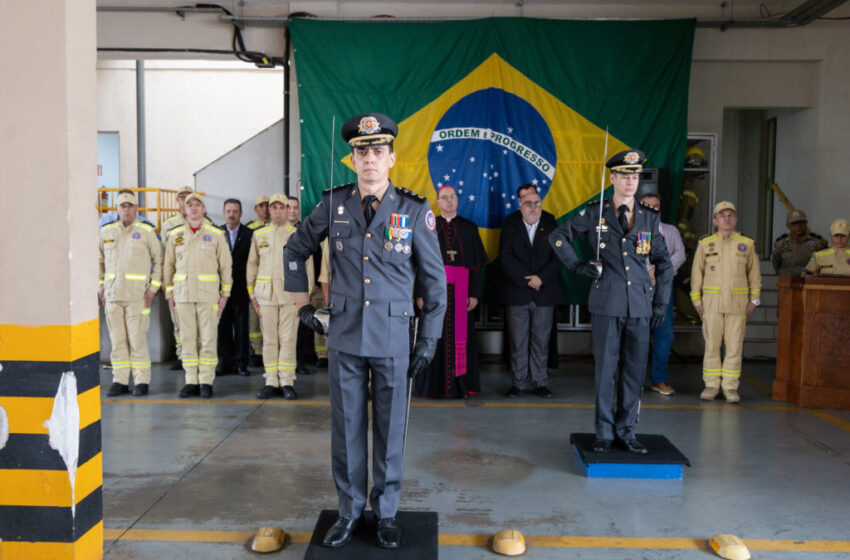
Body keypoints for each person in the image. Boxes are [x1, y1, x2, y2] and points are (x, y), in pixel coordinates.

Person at [284, 113, 446, 549]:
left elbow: (434, 280)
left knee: (391, 430)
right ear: (351, 158)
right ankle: (350, 511)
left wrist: (429, 337)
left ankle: (387, 512)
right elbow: (295, 249)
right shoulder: (333, 204)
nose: (369, 159)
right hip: (345, 334)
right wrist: (303, 306)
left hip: (394, 336)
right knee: (347, 428)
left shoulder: (414, 209)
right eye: (361, 151)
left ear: (392, 158)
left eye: (377, 151)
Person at [549, 149, 673, 454]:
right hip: (607, 302)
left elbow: (664, 264)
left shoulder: (648, 217)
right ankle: (604, 432)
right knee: (606, 371)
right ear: (612, 178)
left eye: (635, 177)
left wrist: (661, 302)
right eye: (624, 176)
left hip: (640, 306)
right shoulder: (595, 213)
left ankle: (626, 431)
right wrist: (578, 265)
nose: (631, 182)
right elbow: (558, 237)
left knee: (633, 372)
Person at [416, 184, 488, 398]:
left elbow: (476, 265)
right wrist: (419, 293)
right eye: (444, 197)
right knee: (432, 334)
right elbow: (419, 264)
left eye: (453, 197)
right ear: (437, 202)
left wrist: (474, 293)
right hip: (433, 292)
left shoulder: (469, 228)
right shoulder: (429, 227)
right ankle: (431, 386)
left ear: (457, 200)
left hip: (462, 292)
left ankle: (462, 384)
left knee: (461, 337)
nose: (449, 201)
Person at [690, 201, 762, 403]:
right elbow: (697, 274)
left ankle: (730, 387)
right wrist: (696, 301)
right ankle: (711, 385)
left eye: (730, 215)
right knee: (712, 346)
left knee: (734, 347)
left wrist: (754, 300)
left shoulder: (746, 244)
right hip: (711, 304)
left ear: (735, 219)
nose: (727, 218)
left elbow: (754, 275)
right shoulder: (705, 244)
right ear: (715, 220)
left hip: (738, 305)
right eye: (722, 215)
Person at [163, 193, 233, 399]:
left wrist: (224, 295)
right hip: (182, 296)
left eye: (197, 205)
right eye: (189, 205)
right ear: (184, 210)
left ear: (204, 210)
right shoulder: (175, 235)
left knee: (209, 340)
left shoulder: (216, 235)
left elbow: (226, 266)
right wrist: (169, 294)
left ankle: (206, 381)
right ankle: (191, 380)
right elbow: (168, 266)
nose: (193, 208)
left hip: (208, 296)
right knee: (187, 339)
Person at [247, 194, 313, 400]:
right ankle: (271, 381)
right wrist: (253, 295)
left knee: (288, 339)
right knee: (269, 340)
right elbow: (252, 266)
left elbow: (307, 268)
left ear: (287, 210)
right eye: (273, 208)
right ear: (270, 211)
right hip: (265, 296)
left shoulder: (298, 235)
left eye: (281, 208)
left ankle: (286, 381)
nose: (277, 211)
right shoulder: (259, 234)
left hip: (290, 297)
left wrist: (303, 298)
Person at [500, 184, 562, 399]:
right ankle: (518, 383)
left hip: (544, 292)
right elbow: (505, 256)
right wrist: (527, 280)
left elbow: (558, 257)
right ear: (520, 205)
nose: (534, 207)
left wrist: (541, 278)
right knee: (518, 341)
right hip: (518, 292)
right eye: (529, 203)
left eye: (537, 203)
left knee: (541, 341)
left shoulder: (551, 222)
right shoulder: (510, 222)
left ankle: (539, 382)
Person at [99, 191, 162, 397]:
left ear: (136, 209)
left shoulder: (146, 232)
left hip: (138, 297)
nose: (126, 209)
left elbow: (159, 260)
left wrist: (153, 289)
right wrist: (100, 287)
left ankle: (142, 381)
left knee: (137, 339)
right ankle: (120, 381)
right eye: (122, 206)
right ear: (117, 209)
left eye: (130, 205)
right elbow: (98, 261)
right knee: (117, 341)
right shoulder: (106, 232)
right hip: (113, 296)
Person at [637, 187, 687, 396]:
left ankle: (659, 380)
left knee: (664, 335)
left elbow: (680, 254)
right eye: (648, 206)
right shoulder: (636, 231)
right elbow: (635, 257)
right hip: (640, 289)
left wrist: (660, 269)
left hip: (663, 290)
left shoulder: (670, 231)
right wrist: (649, 269)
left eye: (656, 206)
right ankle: (635, 381)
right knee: (637, 337)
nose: (652, 210)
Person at [216, 198, 253, 377]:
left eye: (235, 211)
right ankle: (224, 362)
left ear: (241, 214)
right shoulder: (216, 233)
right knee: (222, 328)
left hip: (241, 289)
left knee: (241, 327)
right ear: (224, 213)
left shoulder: (250, 234)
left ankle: (241, 363)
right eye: (228, 211)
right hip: (221, 291)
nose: (231, 214)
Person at [163, 185, 197, 371]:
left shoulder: (204, 223)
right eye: (181, 197)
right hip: (177, 281)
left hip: (197, 282)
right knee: (178, 322)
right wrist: (165, 283)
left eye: (188, 198)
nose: (184, 201)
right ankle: (181, 354)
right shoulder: (169, 225)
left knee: (197, 324)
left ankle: (195, 355)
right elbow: (164, 256)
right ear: (177, 201)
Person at [247, 195, 271, 364]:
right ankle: (257, 351)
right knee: (254, 321)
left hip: (271, 286)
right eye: (260, 206)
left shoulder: (274, 228)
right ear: (255, 209)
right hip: (256, 283)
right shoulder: (250, 229)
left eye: (266, 206)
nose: (263, 209)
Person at [771, 209, 827, 276]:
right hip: (787, 282)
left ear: (806, 223)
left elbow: (824, 263)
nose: (798, 226)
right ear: (788, 225)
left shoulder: (818, 242)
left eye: (801, 223)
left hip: (810, 282)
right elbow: (775, 264)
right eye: (794, 224)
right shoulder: (780, 244)